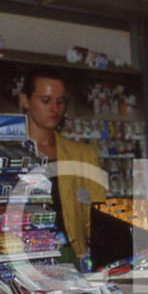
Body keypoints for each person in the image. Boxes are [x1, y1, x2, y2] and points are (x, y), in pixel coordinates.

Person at [20, 69, 107, 264]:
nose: (54, 109)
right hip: (23, 258)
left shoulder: (82, 155)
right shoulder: (9, 153)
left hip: (71, 258)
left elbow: (95, 213)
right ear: (25, 101)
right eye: (45, 100)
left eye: (60, 102)